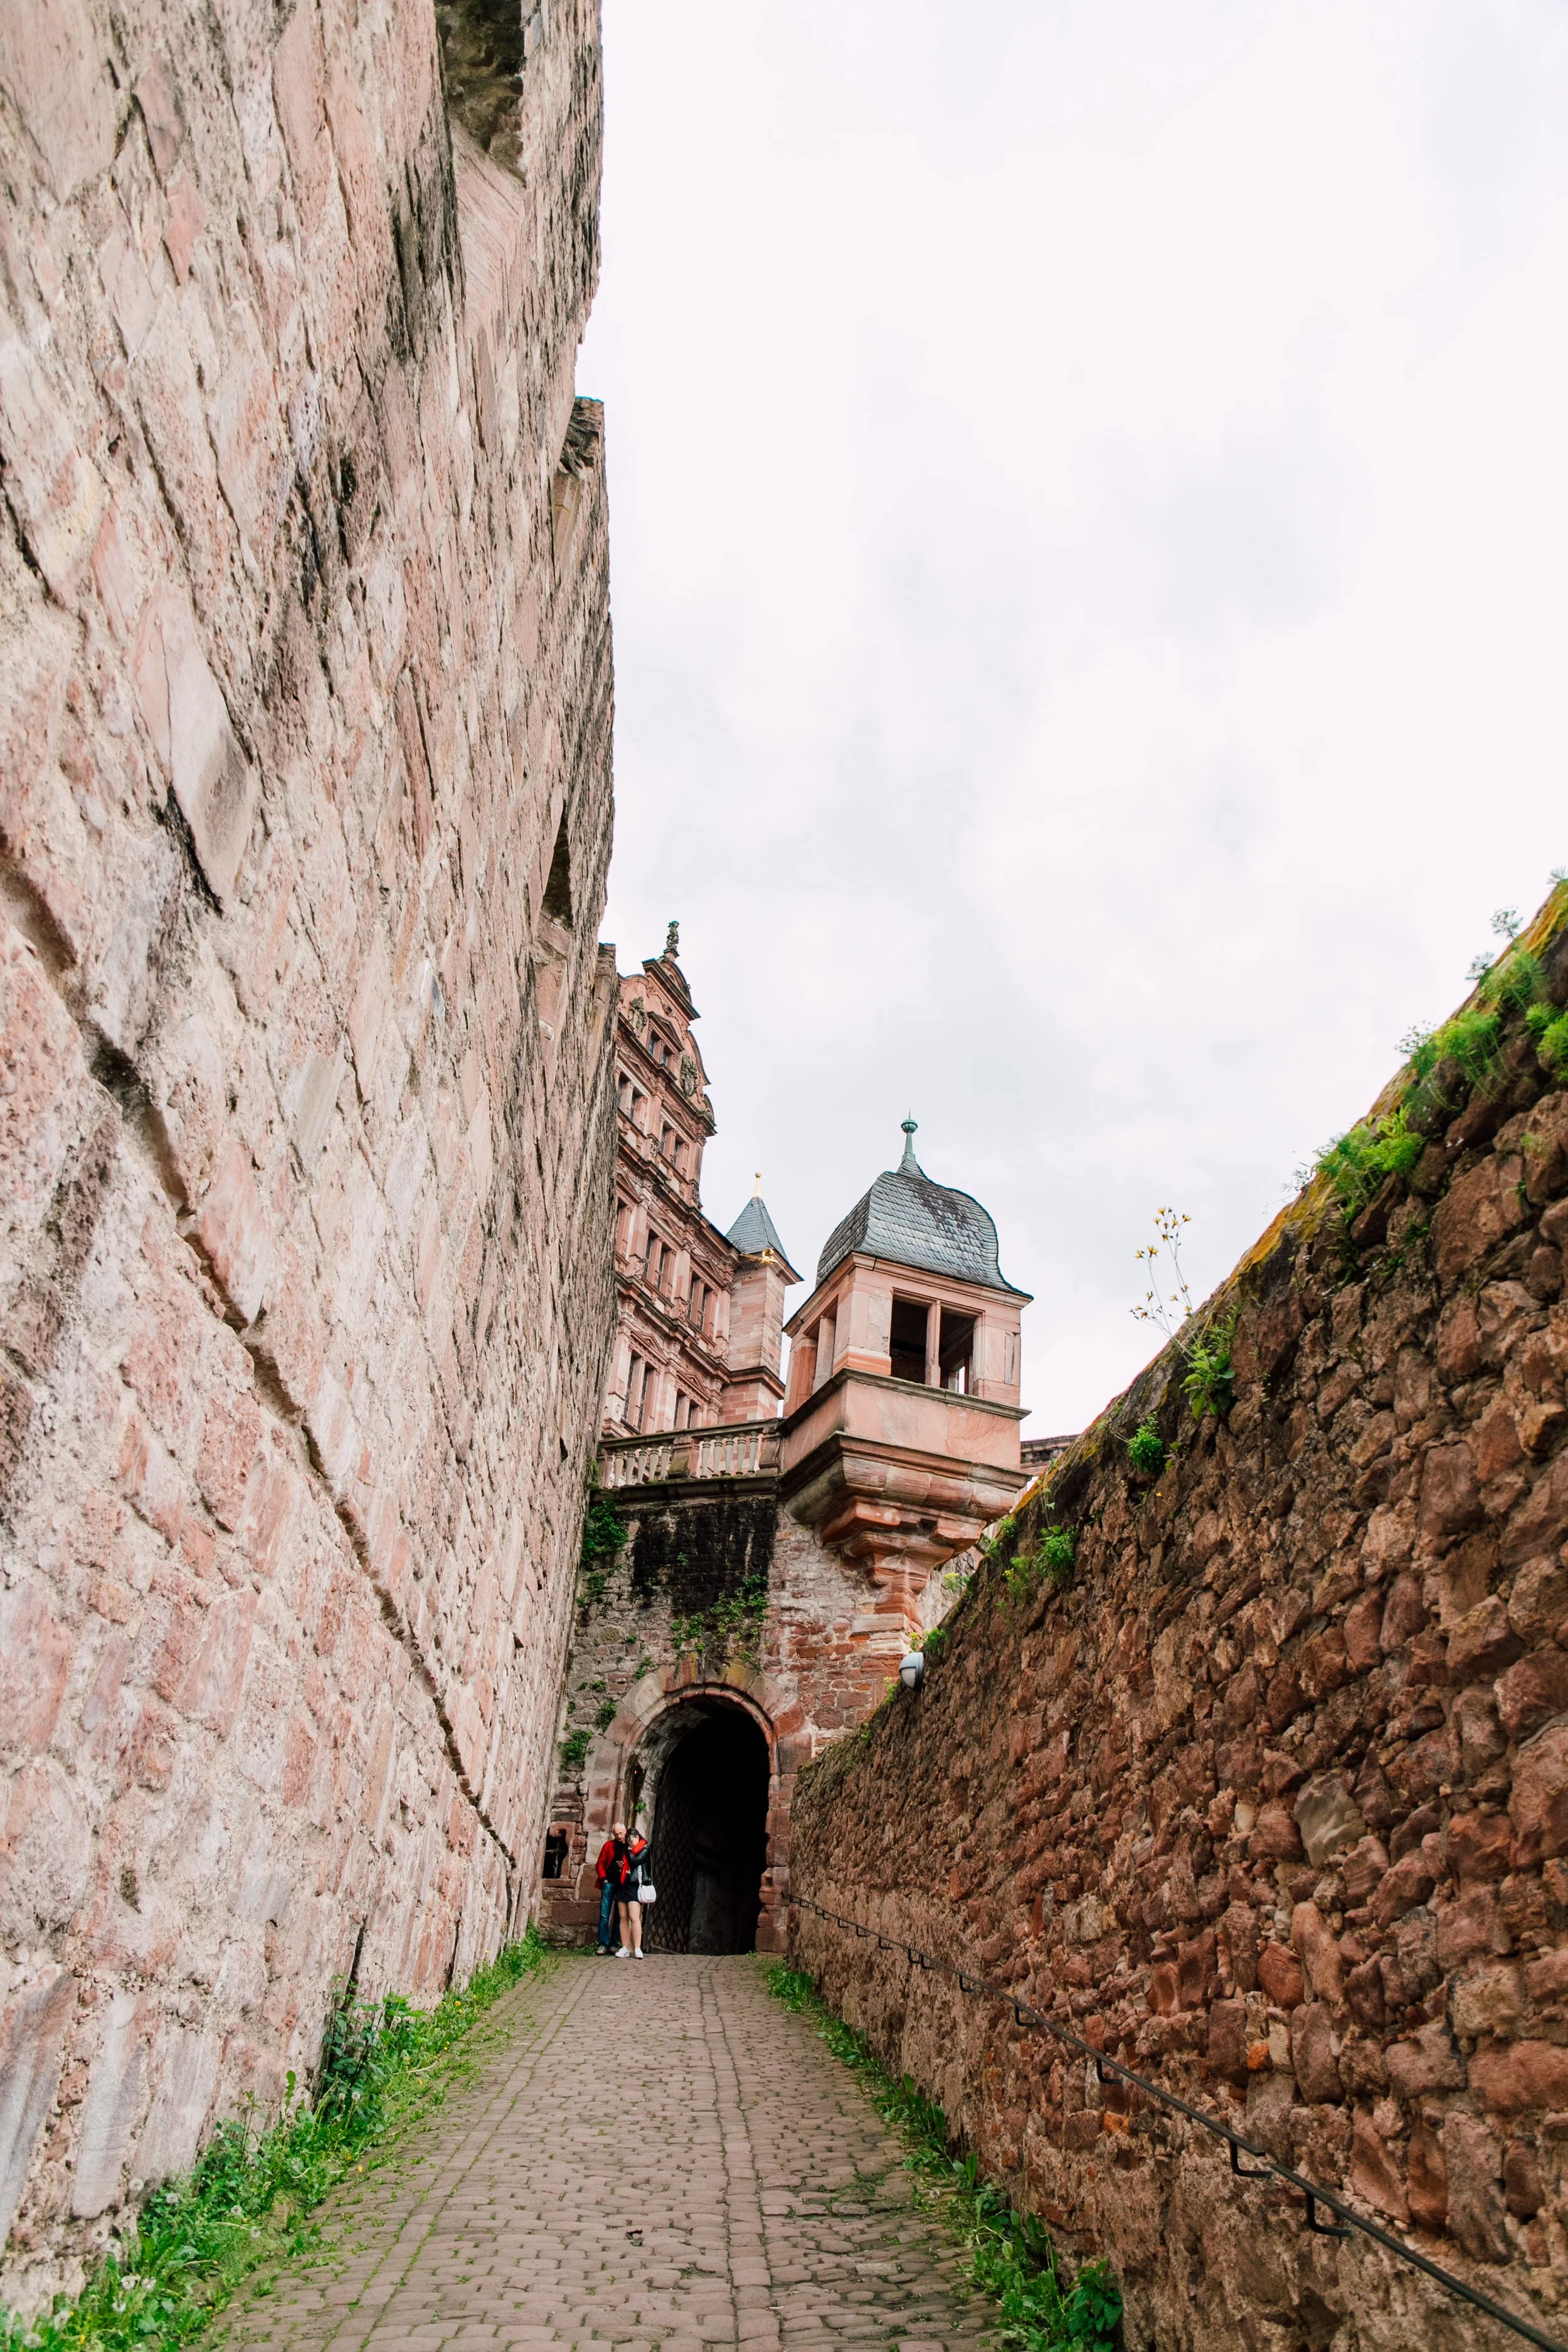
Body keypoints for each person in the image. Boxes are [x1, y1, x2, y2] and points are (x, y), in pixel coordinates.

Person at [616, 1823, 652, 1957]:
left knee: (634, 1917)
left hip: (635, 1885)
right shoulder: (626, 1848)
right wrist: (620, 1864)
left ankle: (637, 1948)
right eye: (628, 1842)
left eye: (631, 1841)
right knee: (623, 1917)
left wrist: (630, 1851)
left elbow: (636, 1861)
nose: (629, 1844)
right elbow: (623, 1861)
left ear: (637, 1837)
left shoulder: (645, 1848)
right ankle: (625, 1947)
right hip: (624, 1883)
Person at [595, 1823, 627, 1954]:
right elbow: (600, 1863)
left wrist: (624, 1865)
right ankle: (603, 1944)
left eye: (620, 1833)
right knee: (604, 1915)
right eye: (616, 1834)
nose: (619, 1836)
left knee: (620, 1916)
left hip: (622, 1884)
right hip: (609, 1883)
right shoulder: (609, 1845)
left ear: (625, 1831)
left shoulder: (629, 1846)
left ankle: (614, 1944)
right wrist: (604, 1879)